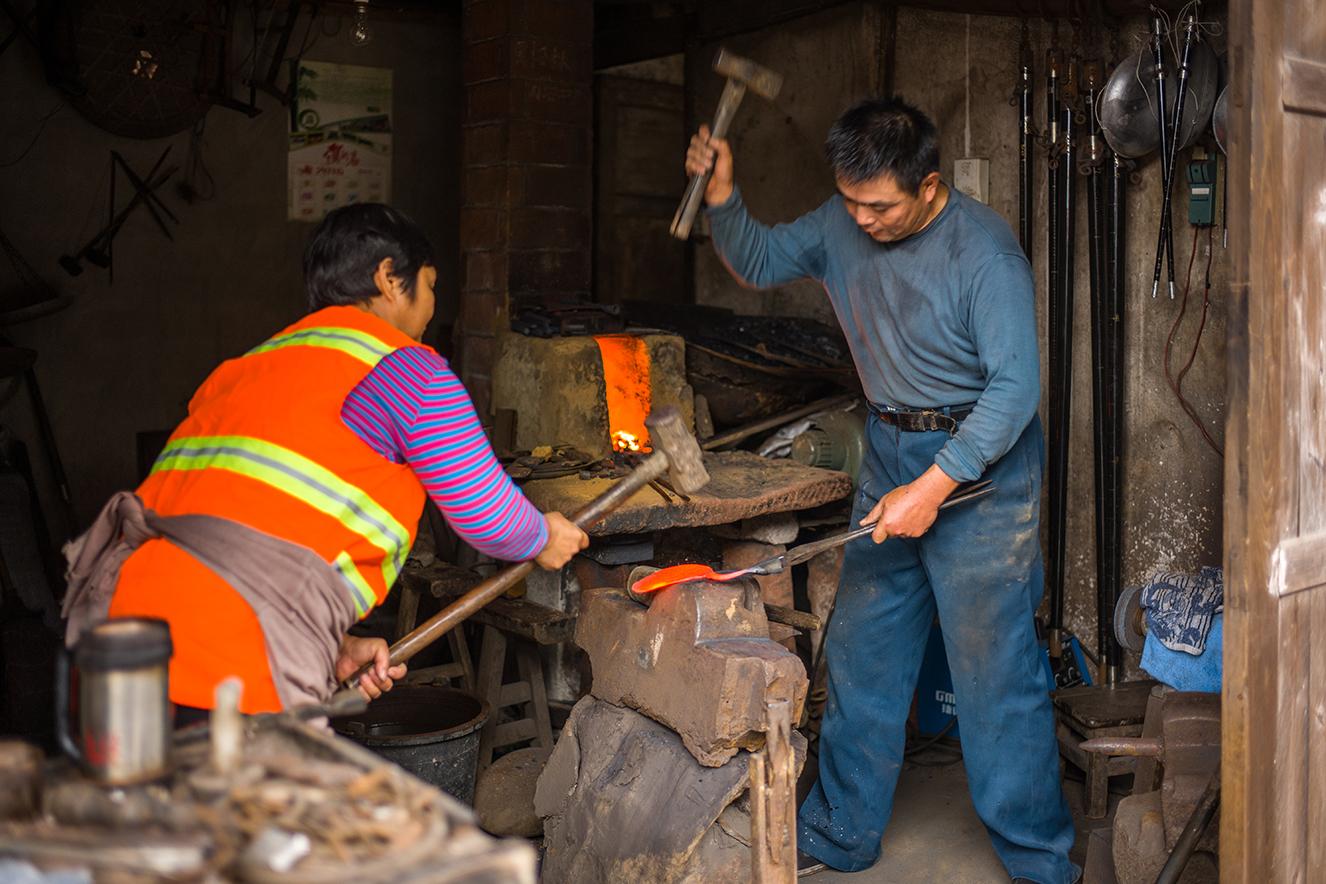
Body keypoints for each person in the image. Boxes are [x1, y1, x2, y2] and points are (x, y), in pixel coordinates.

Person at [685, 97, 1077, 883]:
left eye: (881, 205)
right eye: (851, 200)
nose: (861, 219)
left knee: (994, 674)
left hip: (982, 470)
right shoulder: (840, 221)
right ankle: (840, 831)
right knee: (865, 654)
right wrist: (723, 195)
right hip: (892, 448)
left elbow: (1015, 391)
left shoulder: (985, 254)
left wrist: (936, 485)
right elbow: (760, 262)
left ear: (929, 186)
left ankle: (1040, 860)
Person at [63, 203, 588, 721]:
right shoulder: (405, 368)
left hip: (115, 639)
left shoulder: (250, 364)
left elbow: (238, 528)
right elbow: (484, 512)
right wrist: (543, 538)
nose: (431, 308)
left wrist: (333, 646)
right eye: (430, 286)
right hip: (229, 664)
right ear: (388, 278)